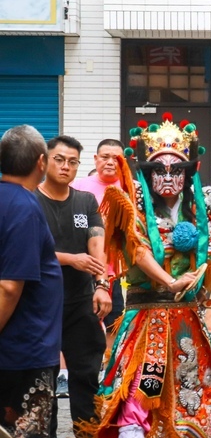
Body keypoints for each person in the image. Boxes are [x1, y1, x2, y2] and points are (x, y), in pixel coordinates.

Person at [75, 113, 211, 438]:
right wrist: (171, 282)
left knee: (184, 399)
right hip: (147, 326)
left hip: (186, 327)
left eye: (177, 170)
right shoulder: (133, 203)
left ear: (189, 173)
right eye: (159, 169)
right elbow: (137, 249)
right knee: (141, 394)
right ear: (147, 171)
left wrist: (203, 268)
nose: (168, 177)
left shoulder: (202, 207)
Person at [34, 135, 115, 438]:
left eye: (72, 161)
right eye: (59, 159)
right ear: (44, 161)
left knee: (85, 372)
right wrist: (71, 259)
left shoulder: (85, 201)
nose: (65, 166)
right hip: (39, 302)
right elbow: (27, 250)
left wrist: (102, 284)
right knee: (44, 375)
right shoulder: (30, 201)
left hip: (81, 299)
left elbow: (97, 244)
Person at [0, 125, 62, 438]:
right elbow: (10, 286)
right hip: (20, 352)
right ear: (41, 162)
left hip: (18, 348)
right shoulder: (24, 206)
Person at [72, 139, 127, 341]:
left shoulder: (132, 189)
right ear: (96, 159)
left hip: (117, 272)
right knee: (80, 326)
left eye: (116, 158)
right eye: (105, 157)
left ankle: (109, 360)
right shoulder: (77, 186)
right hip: (81, 269)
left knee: (114, 323)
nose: (110, 162)